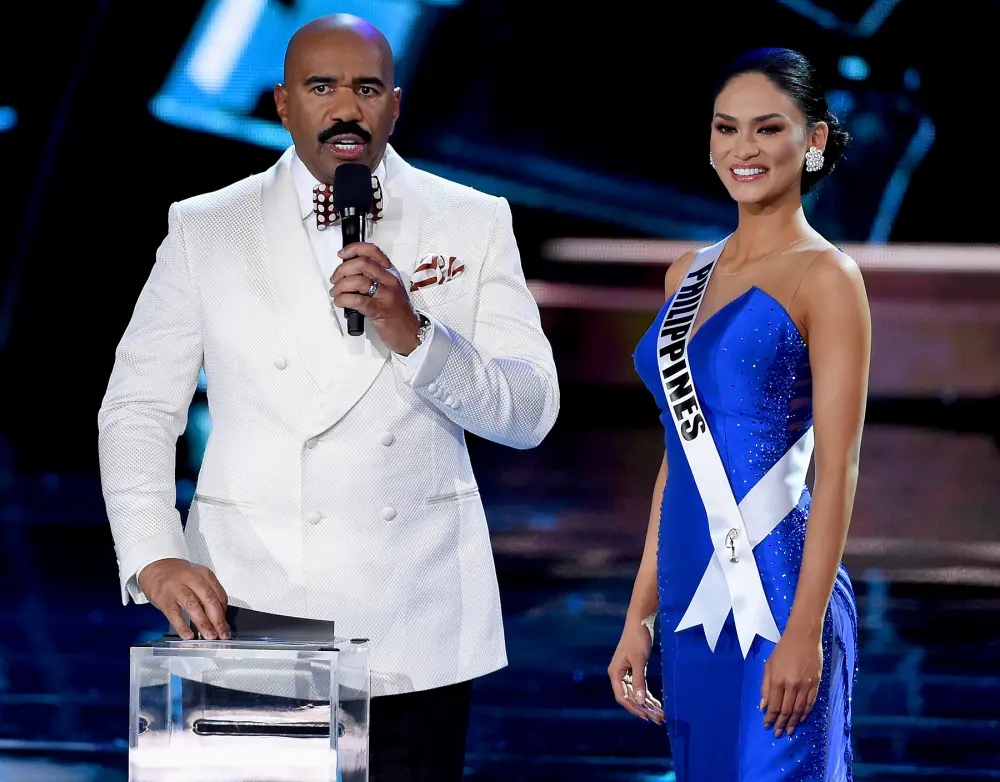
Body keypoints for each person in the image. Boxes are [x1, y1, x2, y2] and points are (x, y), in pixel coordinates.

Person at [97, 13, 559, 781]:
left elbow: (530, 411)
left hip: (418, 618)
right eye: (321, 87)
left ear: (395, 105)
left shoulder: (473, 221)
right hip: (249, 603)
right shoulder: (206, 225)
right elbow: (139, 406)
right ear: (283, 104)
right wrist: (154, 554)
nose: (346, 107)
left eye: (366, 87)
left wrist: (416, 334)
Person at [609, 48, 868, 780]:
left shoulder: (828, 276)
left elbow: (840, 464)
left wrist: (805, 630)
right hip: (691, 590)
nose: (742, 149)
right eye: (727, 129)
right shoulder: (684, 274)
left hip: (779, 592)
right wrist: (640, 615)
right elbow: (678, 458)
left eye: (767, 129)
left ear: (813, 140)